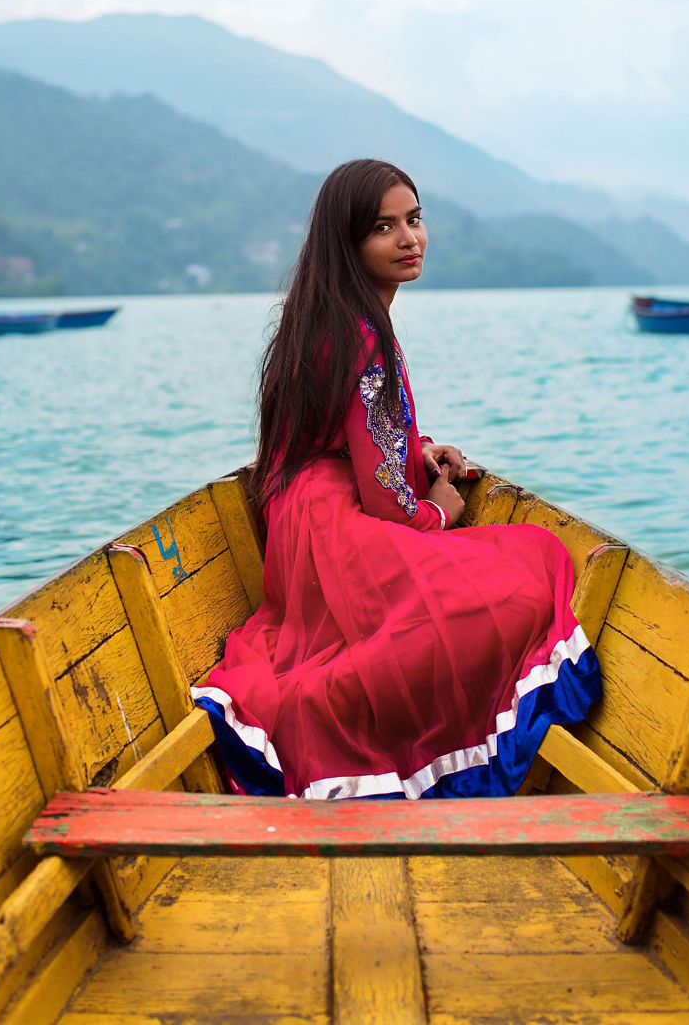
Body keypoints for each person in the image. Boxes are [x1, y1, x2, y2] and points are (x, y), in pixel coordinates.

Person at [193, 159, 601, 799]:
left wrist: (420, 449)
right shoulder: (361, 335)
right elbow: (387, 502)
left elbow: (357, 436)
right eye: (384, 228)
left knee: (495, 580)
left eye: (414, 219)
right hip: (335, 528)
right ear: (349, 244)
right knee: (532, 570)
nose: (409, 239)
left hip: (300, 521)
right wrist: (439, 511)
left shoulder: (324, 319)